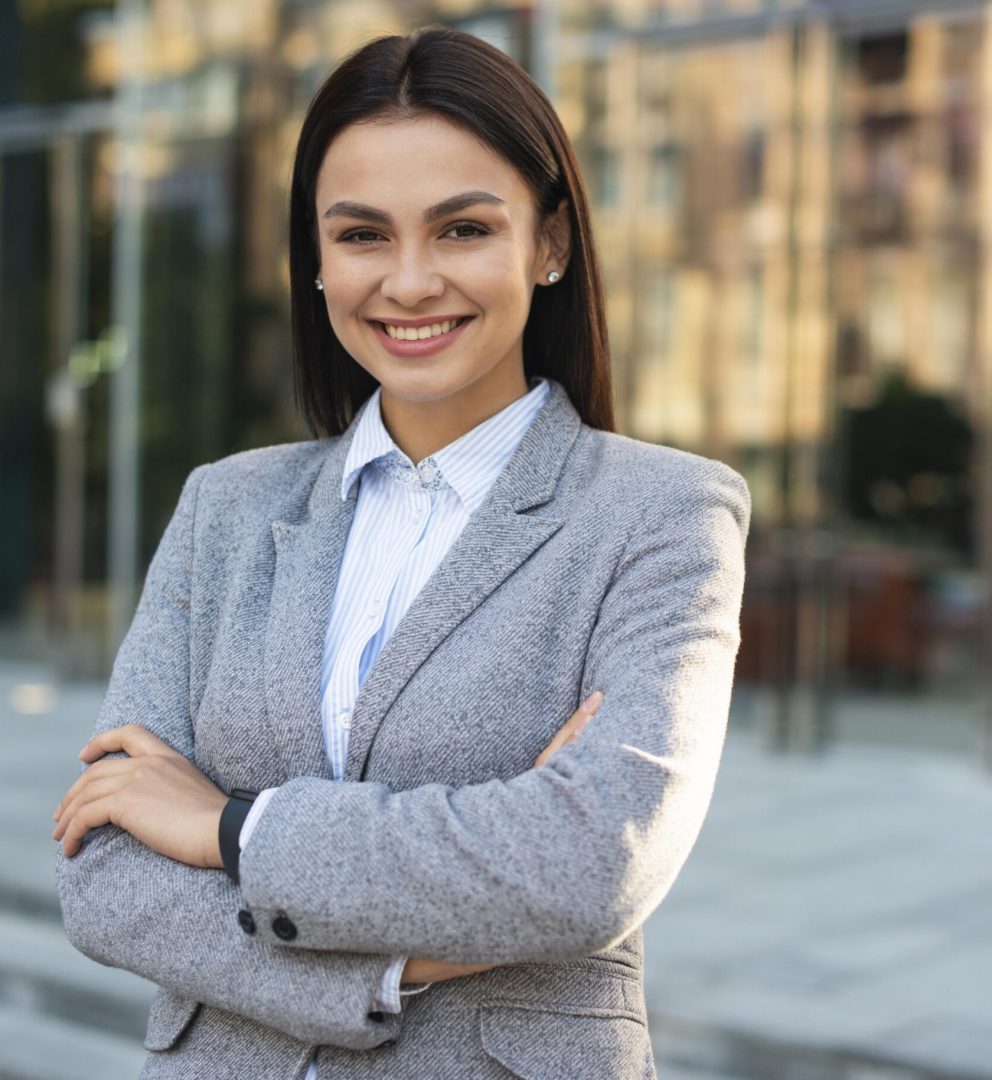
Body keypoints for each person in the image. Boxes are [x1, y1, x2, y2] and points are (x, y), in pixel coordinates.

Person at [53, 25, 750, 1080]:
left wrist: (231, 829)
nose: (411, 282)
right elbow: (107, 877)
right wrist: (394, 964)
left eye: (464, 228)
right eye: (363, 235)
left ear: (549, 243)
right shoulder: (224, 510)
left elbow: (590, 860)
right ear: (318, 261)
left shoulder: (665, 513)